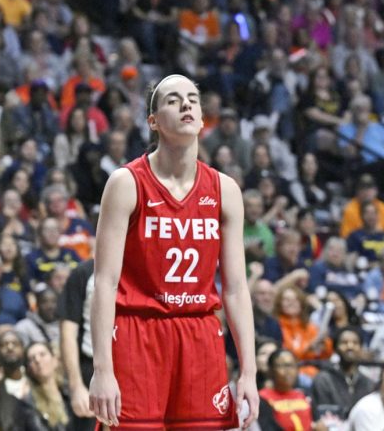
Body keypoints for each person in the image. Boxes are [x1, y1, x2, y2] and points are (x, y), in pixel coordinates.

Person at [88, 74, 258, 429]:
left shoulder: (225, 190)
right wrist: (101, 369)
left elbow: (237, 289)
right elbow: (104, 283)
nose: (186, 105)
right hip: (138, 333)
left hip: (199, 334)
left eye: (193, 99)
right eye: (172, 99)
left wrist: (249, 373)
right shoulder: (125, 183)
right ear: (153, 121)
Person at [57, 259, 96, 431]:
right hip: (91, 368)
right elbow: (68, 333)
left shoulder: (143, 269)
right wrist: (76, 386)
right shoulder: (83, 273)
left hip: (133, 368)